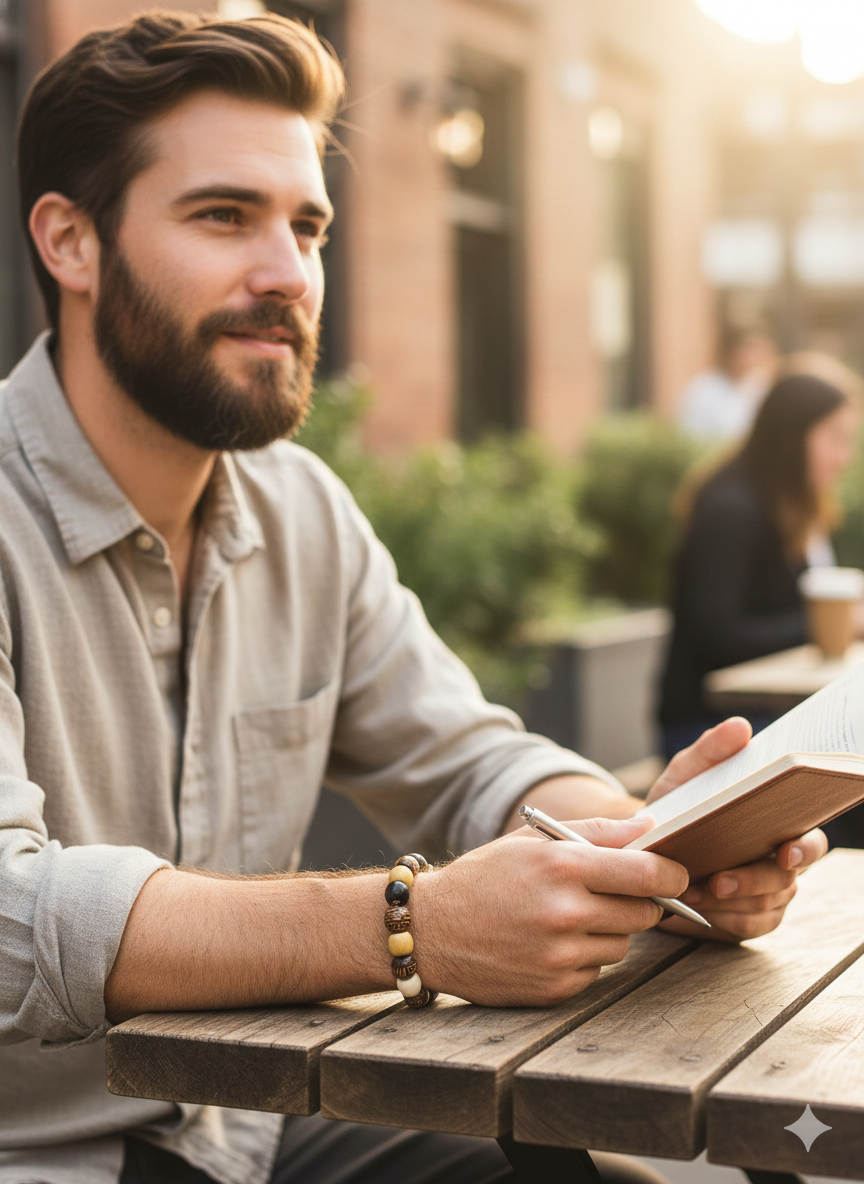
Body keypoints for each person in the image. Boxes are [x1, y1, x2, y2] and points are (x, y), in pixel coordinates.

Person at [1, 12, 826, 1184]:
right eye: (223, 215)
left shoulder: (301, 511)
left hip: (247, 1121)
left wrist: (659, 849)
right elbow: (8, 913)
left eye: (307, 224)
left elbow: (470, 762)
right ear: (71, 242)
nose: (287, 272)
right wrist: (413, 922)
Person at [659, 355, 862, 765]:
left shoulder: (792, 510)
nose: (845, 456)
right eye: (835, 438)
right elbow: (718, 636)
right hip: (708, 728)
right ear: (794, 436)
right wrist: (827, 626)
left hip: (765, 716)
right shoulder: (730, 510)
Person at [677, 324, 778, 443]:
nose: (752, 357)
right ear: (729, 351)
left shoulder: (762, 387)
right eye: (747, 349)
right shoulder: (704, 390)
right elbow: (690, 437)